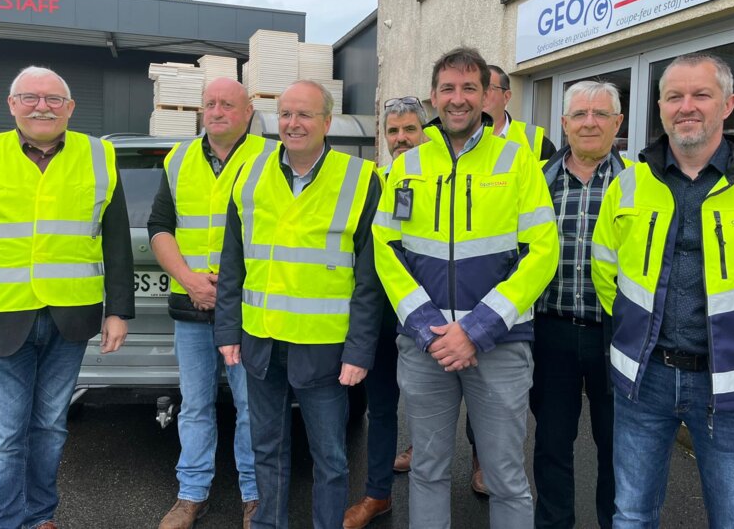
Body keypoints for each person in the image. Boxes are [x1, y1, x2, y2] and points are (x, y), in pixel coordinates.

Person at [591, 53, 734, 528]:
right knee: (631, 515)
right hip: (644, 381)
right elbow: (606, 273)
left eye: (700, 95)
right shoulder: (627, 185)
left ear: (728, 105)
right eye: (674, 96)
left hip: (728, 384)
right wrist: (634, 330)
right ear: (661, 108)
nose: (687, 106)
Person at [373, 47, 559, 528]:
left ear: (487, 95)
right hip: (426, 345)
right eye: (448, 89)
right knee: (428, 472)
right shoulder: (406, 166)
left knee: (506, 477)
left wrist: (476, 329)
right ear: (434, 97)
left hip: (499, 345)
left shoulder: (518, 163)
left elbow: (543, 251)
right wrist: (428, 326)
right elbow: (385, 248)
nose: (458, 99)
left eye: (469, 88)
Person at [0, 66, 134, 529]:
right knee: (4, 437)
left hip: (69, 318)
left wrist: (118, 310)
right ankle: (4, 523)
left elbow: (114, 238)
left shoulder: (99, 155)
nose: (42, 106)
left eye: (54, 99)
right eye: (30, 97)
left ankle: (38, 519)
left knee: (51, 428)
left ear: (70, 108)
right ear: (11, 105)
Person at [215, 80, 383, 529]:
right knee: (266, 448)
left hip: (325, 348)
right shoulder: (249, 174)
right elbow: (232, 262)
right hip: (261, 342)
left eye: (305, 114)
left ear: (327, 122)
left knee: (329, 457)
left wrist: (359, 351)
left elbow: (370, 278)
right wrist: (227, 331)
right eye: (286, 114)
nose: (294, 124)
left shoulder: (361, 178)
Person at [149, 77, 272, 529]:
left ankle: (254, 495)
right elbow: (159, 227)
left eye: (227, 104)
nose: (216, 111)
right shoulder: (178, 159)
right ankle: (191, 495)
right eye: (210, 104)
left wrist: (232, 289)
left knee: (250, 407)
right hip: (191, 307)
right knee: (196, 405)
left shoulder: (270, 157)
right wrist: (188, 280)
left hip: (247, 309)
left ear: (247, 112)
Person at [529, 81, 628, 529]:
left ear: (618, 124)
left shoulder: (639, 185)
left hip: (618, 335)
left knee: (617, 447)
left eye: (601, 114)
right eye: (581, 114)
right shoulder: (537, 181)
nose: (591, 122)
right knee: (551, 444)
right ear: (564, 124)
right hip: (551, 332)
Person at [343, 96, 427, 529]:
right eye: (393, 132)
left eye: (409, 129)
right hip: (381, 318)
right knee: (381, 407)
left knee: (431, 409)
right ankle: (378, 495)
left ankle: (433, 498)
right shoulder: (374, 180)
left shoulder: (439, 178)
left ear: (424, 131)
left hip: (429, 317)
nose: (400, 139)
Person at [485, 65, 556, 160]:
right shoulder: (461, 138)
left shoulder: (535, 142)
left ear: (506, 97)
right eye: (474, 89)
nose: (481, 94)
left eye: (488, 88)